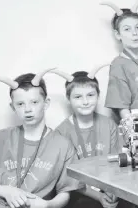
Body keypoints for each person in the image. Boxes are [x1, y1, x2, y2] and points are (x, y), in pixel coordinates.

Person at [0, 69, 82, 208]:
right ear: (13, 107)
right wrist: (6, 191)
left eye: (34, 102)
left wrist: (47, 205)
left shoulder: (63, 145)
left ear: (46, 103)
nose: (27, 109)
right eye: (20, 104)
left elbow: (66, 192)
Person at [52, 65, 121, 208]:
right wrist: (98, 196)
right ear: (68, 99)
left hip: (110, 186)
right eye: (78, 97)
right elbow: (68, 178)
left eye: (90, 95)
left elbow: (117, 162)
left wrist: (112, 190)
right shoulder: (61, 133)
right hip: (80, 193)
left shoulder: (109, 125)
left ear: (98, 95)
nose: (85, 101)